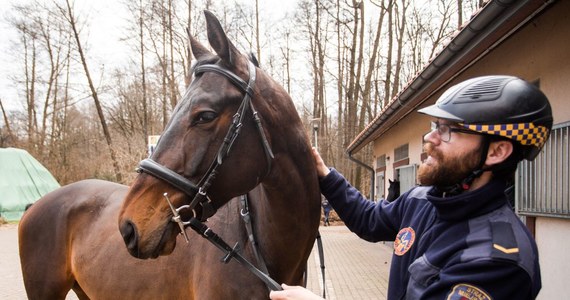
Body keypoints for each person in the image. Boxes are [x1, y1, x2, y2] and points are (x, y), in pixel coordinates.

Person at [270, 75, 552, 300]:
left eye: (448, 130)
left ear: (496, 151)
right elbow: (368, 220)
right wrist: (325, 174)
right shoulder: (423, 200)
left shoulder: (497, 260)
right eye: (435, 125)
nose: (430, 138)